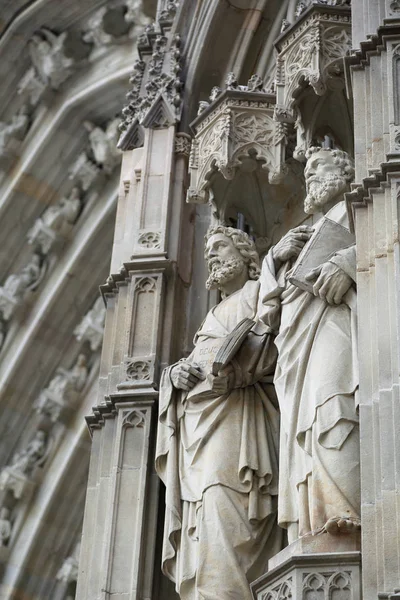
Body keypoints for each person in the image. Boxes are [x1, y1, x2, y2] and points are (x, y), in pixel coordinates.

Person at [156, 225, 310, 599]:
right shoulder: (211, 316)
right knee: (208, 518)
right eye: (208, 249)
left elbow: (279, 333)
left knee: (233, 511)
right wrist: (173, 376)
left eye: (221, 247)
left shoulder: (257, 291)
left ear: (247, 258)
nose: (212, 255)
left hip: (242, 425)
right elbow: (200, 362)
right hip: (201, 434)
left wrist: (274, 259)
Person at [266, 147, 360, 542]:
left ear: (346, 169)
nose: (310, 178)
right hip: (296, 343)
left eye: (318, 167)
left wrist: (349, 262)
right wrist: (274, 259)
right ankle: (317, 521)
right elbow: (267, 314)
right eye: (306, 174)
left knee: (333, 404)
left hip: (339, 322)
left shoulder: (363, 204)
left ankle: (348, 516)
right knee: (307, 421)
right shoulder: (302, 235)